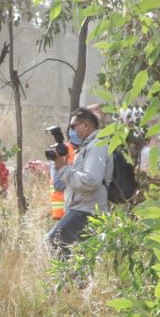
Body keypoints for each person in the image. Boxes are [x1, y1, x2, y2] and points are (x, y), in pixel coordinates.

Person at [47, 107, 112, 256]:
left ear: (86, 125)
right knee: (74, 256)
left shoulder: (96, 146)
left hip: (87, 212)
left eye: (73, 126)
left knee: (53, 243)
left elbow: (92, 180)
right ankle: (72, 280)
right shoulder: (88, 147)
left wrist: (63, 169)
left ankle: (67, 280)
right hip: (82, 210)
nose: (71, 131)